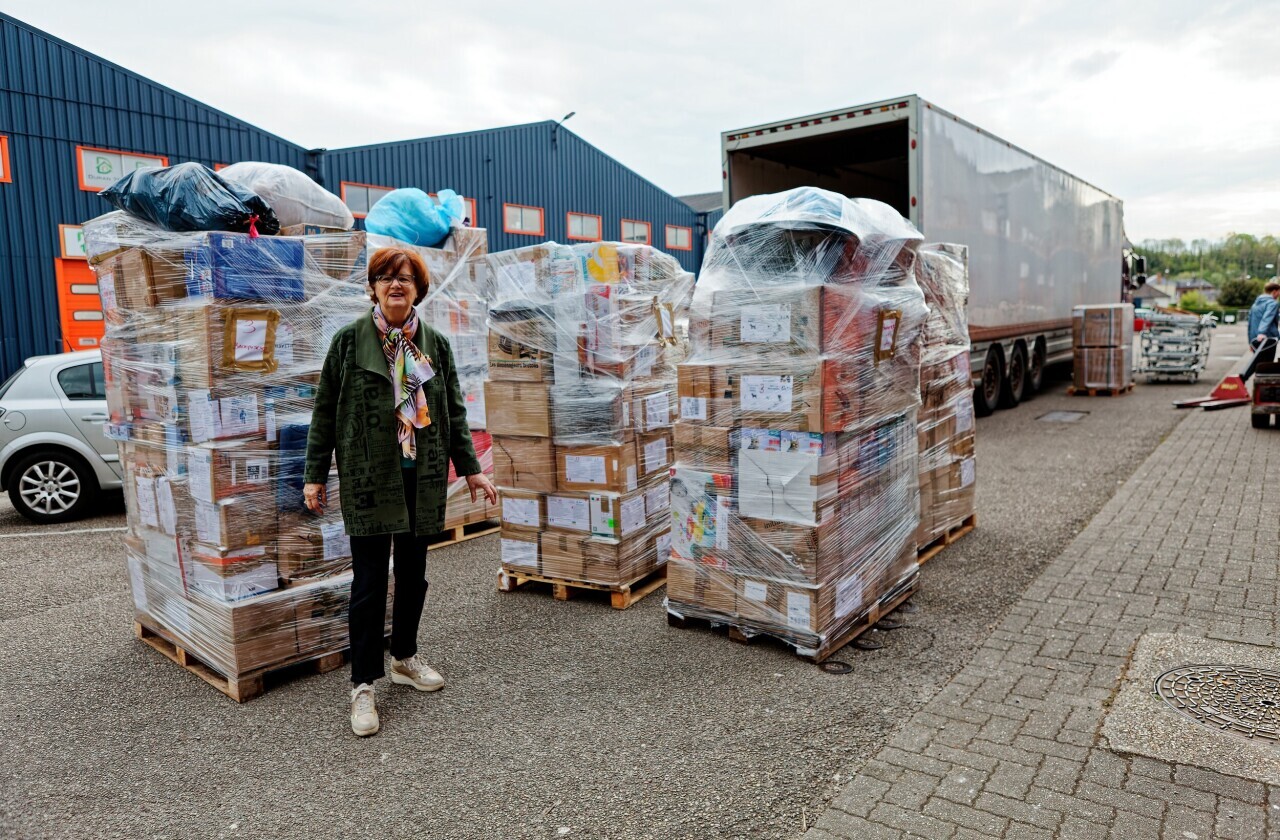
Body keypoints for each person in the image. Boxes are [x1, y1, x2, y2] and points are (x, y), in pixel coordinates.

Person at [303, 246, 497, 737]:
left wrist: (470, 469)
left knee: (414, 576)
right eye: (386, 277)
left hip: (422, 473)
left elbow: (452, 411)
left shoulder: (435, 343)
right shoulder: (349, 341)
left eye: (406, 279)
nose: (396, 285)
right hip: (370, 476)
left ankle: (404, 657)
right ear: (372, 287)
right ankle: (362, 684)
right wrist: (314, 473)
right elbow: (325, 409)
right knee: (369, 584)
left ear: (418, 290)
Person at [1241, 281, 1280, 382]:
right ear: (1274, 291)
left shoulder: (1255, 304)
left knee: (1259, 362)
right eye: (1279, 292)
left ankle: (1246, 381)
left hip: (1256, 339)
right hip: (1268, 339)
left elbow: (1250, 323)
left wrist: (1250, 341)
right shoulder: (1272, 303)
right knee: (1265, 364)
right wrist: (1261, 333)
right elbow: (1267, 318)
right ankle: (1243, 379)